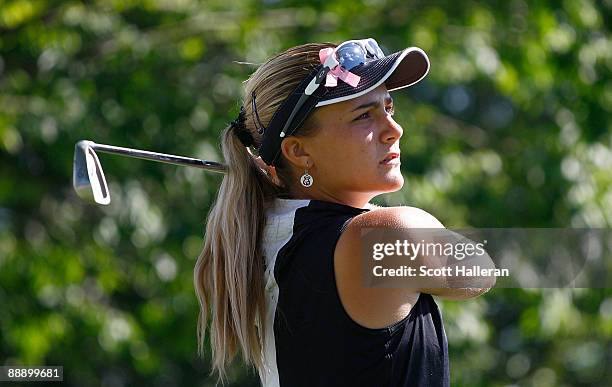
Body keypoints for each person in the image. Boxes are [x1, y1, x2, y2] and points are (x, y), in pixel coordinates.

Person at [194, 38, 495, 387]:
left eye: (389, 107)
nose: (393, 130)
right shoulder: (387, 235)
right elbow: (481, 271)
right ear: (298, 151)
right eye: (364, 115)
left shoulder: (272, 234)